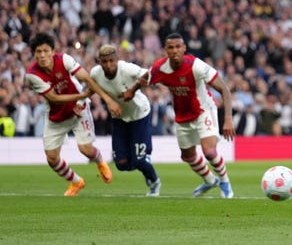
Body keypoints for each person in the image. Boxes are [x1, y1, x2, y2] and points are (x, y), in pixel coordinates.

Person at [123, 32, 236, 198]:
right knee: (187, 156)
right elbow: (144, 79)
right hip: (182, 115)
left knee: (209, 152)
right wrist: (131, 91)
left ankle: (225, 182)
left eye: (178, 47)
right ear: (165, 50)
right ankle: (210, 180)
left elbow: (224, 89)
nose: (174, 50)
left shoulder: (196, 65)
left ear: (184, 49)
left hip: (203, 109)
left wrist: (228, 119)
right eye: (170, 47)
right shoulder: (159, 68)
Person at [24, 32, 122, 196]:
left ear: (53, 51)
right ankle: (76, 181)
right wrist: (82, 96)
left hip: (78, 108)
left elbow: (88, 79)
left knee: (86, 150)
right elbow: (54, 97)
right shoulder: (32, 74)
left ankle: (100, 162)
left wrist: (107, 100)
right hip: (56, 114)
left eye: (45, 51)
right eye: (38, 52)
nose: (42, 55)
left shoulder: (64, 59)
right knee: (52, 159)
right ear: (34, 54)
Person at [90, 44, 162, 197]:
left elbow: (149, 75)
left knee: (139, 161)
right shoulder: (96, 73)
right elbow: (91, 87)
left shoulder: (127, 69)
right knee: (121, 164)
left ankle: (155, 182)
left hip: (139, 114)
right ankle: (143, 161)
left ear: (117, 59)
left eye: (111, 60)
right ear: (99, 62)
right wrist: (82, 101)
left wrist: (133, 89)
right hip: (119, 118)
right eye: (104, 62)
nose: (108, 65)